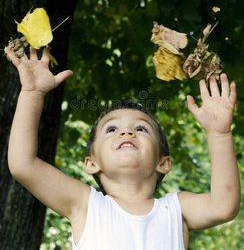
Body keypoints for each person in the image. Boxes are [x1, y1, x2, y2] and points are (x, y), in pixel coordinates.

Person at [5, 46, 240, 250]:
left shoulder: (176, 210)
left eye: (141, 129)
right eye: (111, 129)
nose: (126, 132)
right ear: (91, 163)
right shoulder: (86, 205)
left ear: (164, 162)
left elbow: (224, 206)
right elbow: (22, 164)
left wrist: (219, 134)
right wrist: (32, 94)